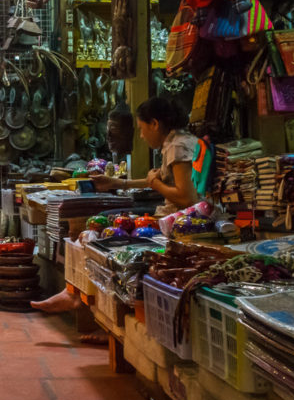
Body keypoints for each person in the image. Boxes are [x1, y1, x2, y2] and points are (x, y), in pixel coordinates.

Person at [30, 97, 202, 329]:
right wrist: (116, 182)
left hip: (173, 225)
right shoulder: (177, 142)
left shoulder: (177, 146)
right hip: (165, 219)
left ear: (154, 124)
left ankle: (76, 296)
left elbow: (187, 197)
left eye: (142, 129)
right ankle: (73, 291)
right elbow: (159, 181)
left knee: (94, 237)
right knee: (91, 234)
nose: (141, 136)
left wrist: (154, 184)